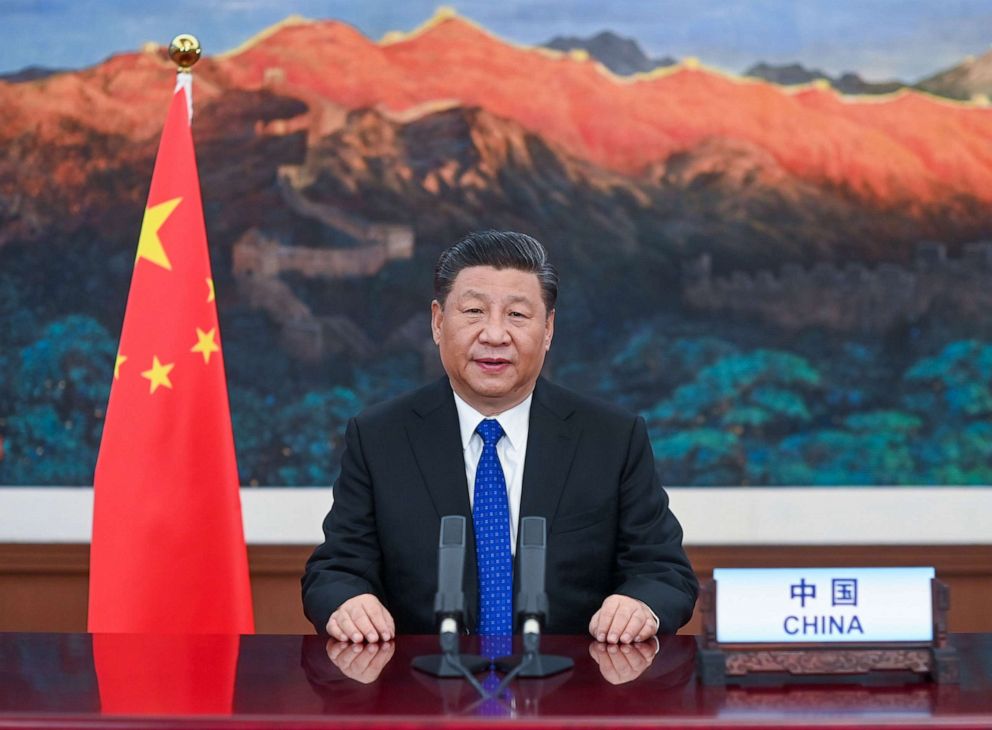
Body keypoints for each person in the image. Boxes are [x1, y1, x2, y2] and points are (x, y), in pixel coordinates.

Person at [302, 230, 697, 645]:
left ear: (548, 330)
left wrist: (638, 604)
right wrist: (348, 601)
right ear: (438, 322)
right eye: (473, 311)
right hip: (424, 692)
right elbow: (335, 571)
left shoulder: (611, 438)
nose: (494, 334)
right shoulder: (380, 437)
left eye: (517, 315)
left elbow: (664, 572)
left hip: (571, 691)